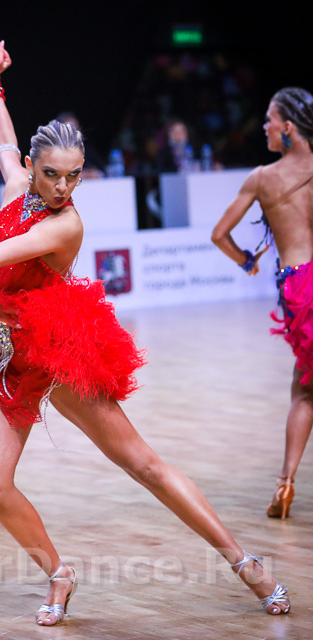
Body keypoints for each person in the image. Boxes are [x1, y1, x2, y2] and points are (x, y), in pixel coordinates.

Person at [0, 41, 290, 626]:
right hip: (11, 357)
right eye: (51, 174)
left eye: (74, 176)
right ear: (33, 167)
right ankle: (58, 573)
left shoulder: (66, 225)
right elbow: (4, 140)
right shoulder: (18, 186)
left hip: (58, 351)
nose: (63, 187)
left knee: (143, 465)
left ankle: (246, 564)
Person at [212, 87, 313, 520]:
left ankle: (285, 485)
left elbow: (219, 234)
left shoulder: (262, 178)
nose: (265, 127)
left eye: (270, 119)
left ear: (288, 127)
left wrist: (246, 260)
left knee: (304, 389)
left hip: (300, 285)